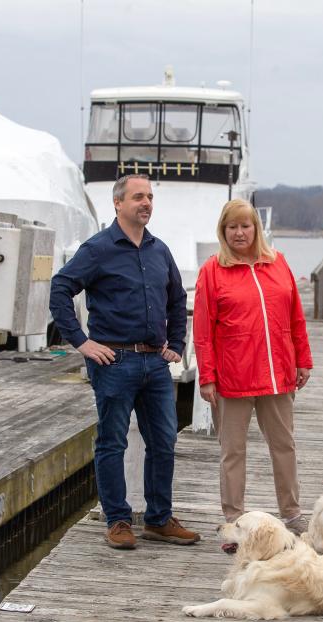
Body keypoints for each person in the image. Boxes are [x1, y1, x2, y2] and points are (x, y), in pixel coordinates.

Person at [49, 174, 200, 550]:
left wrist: (177, 343)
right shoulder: (98, 249)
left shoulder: (159, 250)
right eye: (138, 197)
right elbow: (60, 289)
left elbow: (176, 300)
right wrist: (82, 343)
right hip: (113, 361)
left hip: (155, 363)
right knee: (112, 442)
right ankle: (117, 520)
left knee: (164, 441)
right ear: (118, 203)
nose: (146, 203)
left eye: (149, 197)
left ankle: (159, 519)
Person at [193, 198, 313, 535]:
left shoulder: (278, 264)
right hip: (232, 378)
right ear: (223, 231)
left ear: (256, 229)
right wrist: (207, 378)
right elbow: (202, 332)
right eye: (233, 227)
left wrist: (303, 358)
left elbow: (296, 318)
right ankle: (234, 519)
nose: (240, 233)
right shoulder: (212, 272)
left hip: (277, 376)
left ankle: (291, 513)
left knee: (284, 446)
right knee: (233, 451)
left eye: (246, 226)